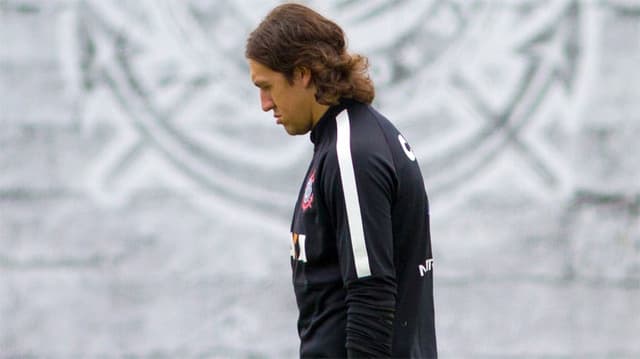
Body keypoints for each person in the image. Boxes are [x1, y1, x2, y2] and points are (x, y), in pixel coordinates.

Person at [245, 3, 437, 358]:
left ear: (302, 73)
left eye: (267, 86)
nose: (264, 104)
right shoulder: (343, 141)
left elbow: (371, 295)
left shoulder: (351, 154)